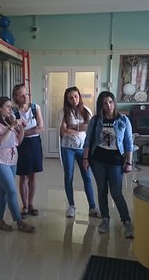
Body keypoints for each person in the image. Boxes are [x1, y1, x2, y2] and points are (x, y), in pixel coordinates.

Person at [83, 91, 134, 239]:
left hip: (116, 161)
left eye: (111, 102)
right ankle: (105, 219)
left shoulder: (123, 120)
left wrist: (129, 162)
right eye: (105, 103)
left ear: (114, 103)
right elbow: (88, 141)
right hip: (97, 160)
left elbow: (129, 142)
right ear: (101, 105)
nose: (109, 106)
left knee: (116, 192)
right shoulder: (95, 120)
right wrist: (85, 159)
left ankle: (126, 221)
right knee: (102, 190)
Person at [0, 96, 36, 233]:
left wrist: (22, 128)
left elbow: (18, 142)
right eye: (7, 106)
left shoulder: (8, 121)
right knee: (12, 191)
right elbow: (0, 141)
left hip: (12, 160)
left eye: (10, 107)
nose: (10, 109)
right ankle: (19, 221)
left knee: (4, 191)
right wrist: (13, 126)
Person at [59, 86, 100, 218]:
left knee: (87, 177)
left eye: (76, 96)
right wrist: (80, 128)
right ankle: (71, 206)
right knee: (69, 176)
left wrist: (73, 127)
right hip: (68, 148)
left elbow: (90, 127)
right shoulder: (63, 112)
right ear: (67, 99)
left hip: (83, 148)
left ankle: (92, 207)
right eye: (70, 97)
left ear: (79, 96)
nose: (74, 99)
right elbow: (62, 131)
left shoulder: (86, 110)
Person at [12, 83, 44, 218]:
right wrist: (30, 131)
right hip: (21, 145)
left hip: (35, 144)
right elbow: (15, 132)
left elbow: (41, 128)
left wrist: (24, 131)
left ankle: (31, 204)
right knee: (23, 176)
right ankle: (24, 206)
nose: (25, 97)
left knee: (33, 175)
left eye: (26, 94)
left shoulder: (35, 108)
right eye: (22, 95)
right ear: (16, 97)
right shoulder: (13, 112)